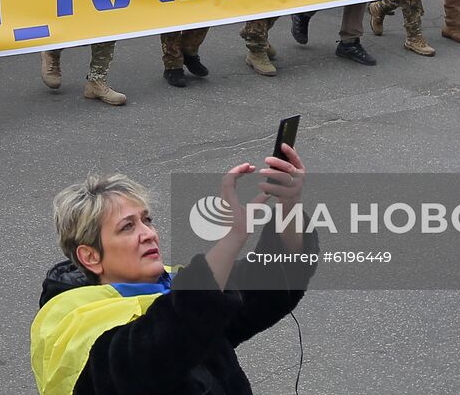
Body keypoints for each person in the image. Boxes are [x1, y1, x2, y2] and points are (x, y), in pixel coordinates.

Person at [33, 152, 315, 395]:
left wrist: (288, 205)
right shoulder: (78, 327)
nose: (149, 234)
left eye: (147, 220)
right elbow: (161, 345)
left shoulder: (169, 286)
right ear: (91, 257)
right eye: (127, 227)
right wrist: (232, 239)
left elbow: (268, 286)